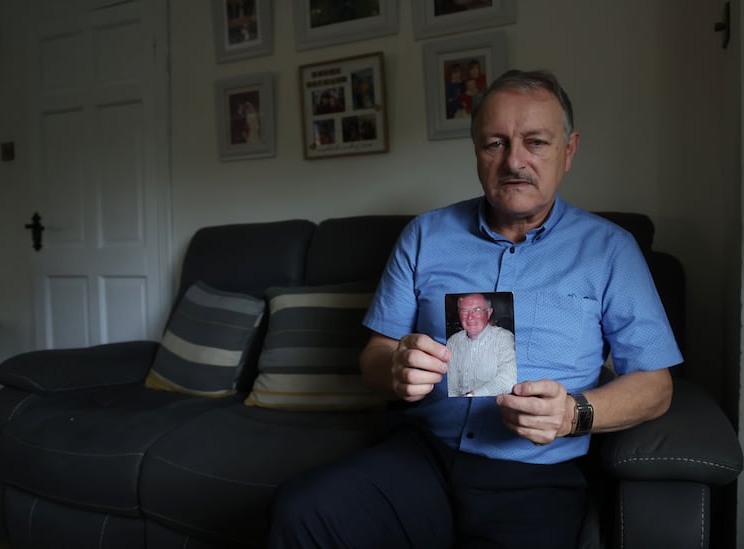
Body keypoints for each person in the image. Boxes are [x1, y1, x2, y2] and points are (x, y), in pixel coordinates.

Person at [267, 68, 683, 548]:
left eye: (536, 142)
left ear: (568, 151)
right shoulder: (424, 235)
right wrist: (395, 367)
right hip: (422, 454)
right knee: (304, 510)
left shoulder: (611, 250)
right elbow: (374, 356)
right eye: (495, 143)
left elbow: (656, 386)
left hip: (534, 475)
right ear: (476, 151)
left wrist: (574, 414)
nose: (514, 161)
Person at [446, 293, 516, 397]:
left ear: (489, 312)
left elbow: (509, 380)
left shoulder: (504, 338)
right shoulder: (452, 342)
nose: (470, 317)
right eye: (464, 311)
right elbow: (450, 386)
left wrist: (471, 396)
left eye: (477, 310)